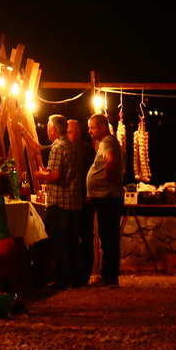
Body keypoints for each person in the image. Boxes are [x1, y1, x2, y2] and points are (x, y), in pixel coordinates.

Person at [32, 114, 83, 290]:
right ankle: (78, 278)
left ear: (53, 130)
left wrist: (42, 175)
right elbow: (68, 171)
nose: (47, 130)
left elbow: (55, 176)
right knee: (73, 242)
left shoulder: (57, 147)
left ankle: (63, 279)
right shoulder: (73, 146)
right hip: (74, 202)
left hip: (59, 203)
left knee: (59, 243)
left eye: (48, 127)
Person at [85, 113, 125, 288]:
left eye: (92, 128)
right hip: (106, 197)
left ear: (102, 127)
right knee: (108, 237)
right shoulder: (107, 142)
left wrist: (108, 180)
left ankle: (109, 276)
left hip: (107, 198)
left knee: (108, 238)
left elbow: (110, 161)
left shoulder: (107, 142)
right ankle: (108, 275)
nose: (89, 131)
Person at [69, 119, 97, 285]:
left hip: (84, 200)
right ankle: (75, 272)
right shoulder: (68, 149)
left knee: (85, 236)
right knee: (74, 237)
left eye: (70, 132)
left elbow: (90, 174)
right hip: (72, 200)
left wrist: (88, 194)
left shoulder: (86, 150)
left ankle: (85, 272)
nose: (67, 135)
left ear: (78, 132)